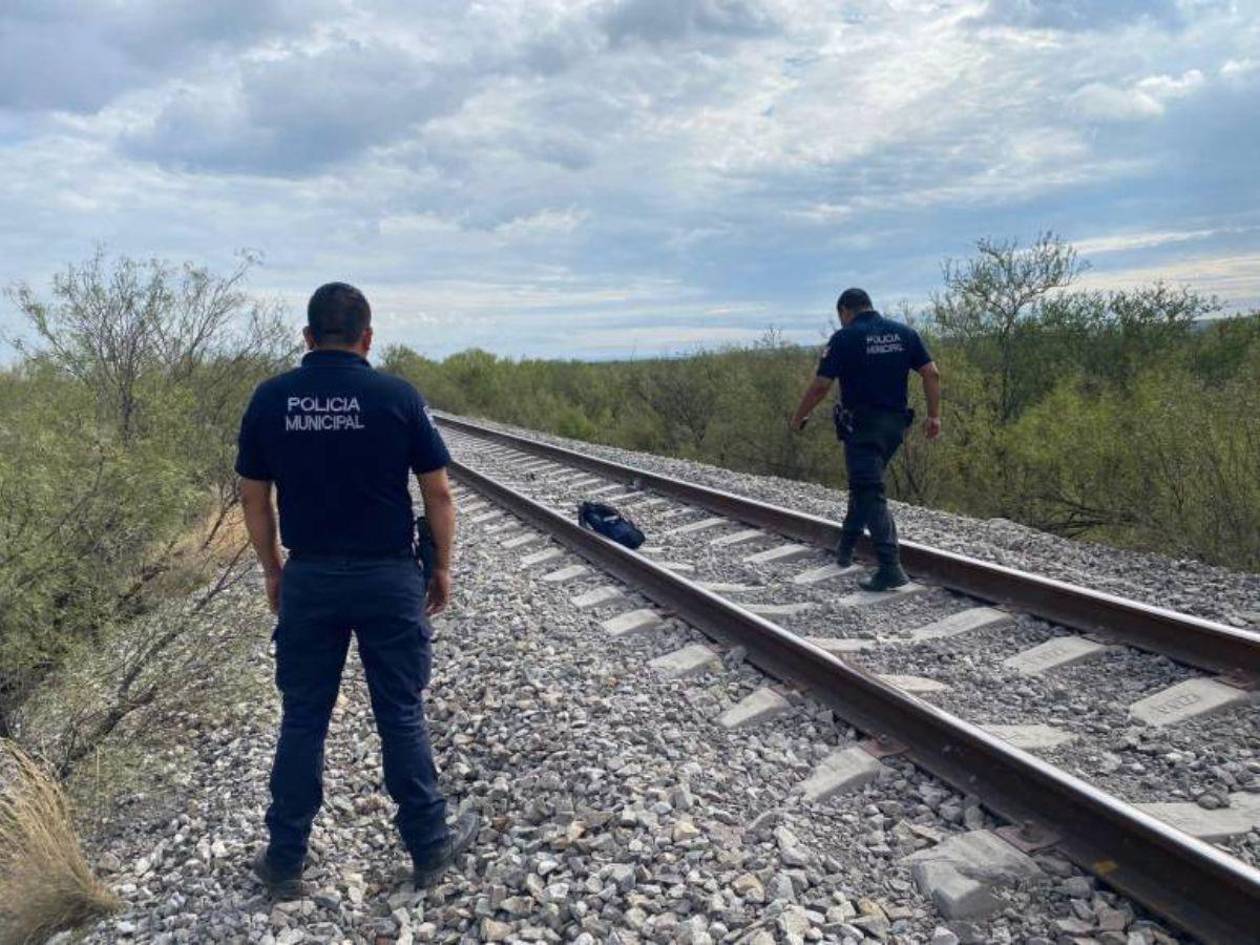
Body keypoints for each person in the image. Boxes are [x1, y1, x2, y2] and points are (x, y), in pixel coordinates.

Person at [235, 282, 478, 899]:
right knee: (399, 713)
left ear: (308, 337)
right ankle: (428, 847)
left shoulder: (272, 399)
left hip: (310, 578)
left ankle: (285, 860)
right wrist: (442, 566)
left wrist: (272, 569)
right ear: (367, 338)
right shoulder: (395, 395)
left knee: (303, 717)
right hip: (388, 578)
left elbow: (254, 496)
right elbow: (438, 494)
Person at [790, 288, 941, 591]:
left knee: (870, 490)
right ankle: (845, 550)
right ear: (869, 306)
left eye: (841, 316)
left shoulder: (845, 338)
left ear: (845, 311)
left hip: (862, 427)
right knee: (863, 485)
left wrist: (799, 417)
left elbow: (821, 385)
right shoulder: (903, 333)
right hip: (895, 427)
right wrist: (934, 416)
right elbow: (931, 373)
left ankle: (890, 566)